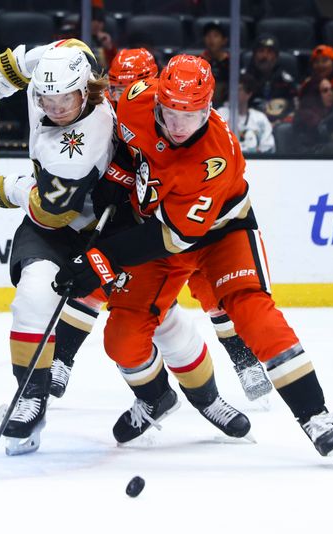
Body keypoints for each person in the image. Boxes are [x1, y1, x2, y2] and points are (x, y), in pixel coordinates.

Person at [55, 54, 333, 461]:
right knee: (122, 338)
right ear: (158, 97)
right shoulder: (137, 98)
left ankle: (315, 415)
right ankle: (156, 399)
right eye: (170, 112)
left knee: (251, 311)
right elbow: (127, 143)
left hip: (218, 235)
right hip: (158, 227)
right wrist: (117, 180)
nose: (177, 126)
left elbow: (172, 238)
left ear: (209, 108)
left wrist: (101, 259)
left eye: (189, 116)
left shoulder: (214, 159)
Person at [0, 40, 250, 455]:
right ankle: (31, 399)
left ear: (85, 89)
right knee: (33, 295)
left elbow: (51, 209)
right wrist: (0, 69)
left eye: (66, 97)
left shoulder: (89, 138)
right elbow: (48, 55)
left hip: (106, 230)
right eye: (46, 96)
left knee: (160, 318)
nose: (56, 107)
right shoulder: (67, 63)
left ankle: (205, 398)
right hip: (63, 228)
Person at [108, 49, 273, 401]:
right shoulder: (131, 111)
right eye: (117, 87)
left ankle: (244, 360)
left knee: (216, 297)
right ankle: (62, 362)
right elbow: (129, 151)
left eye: (130, 86)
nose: (123, 94)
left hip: (198, 225)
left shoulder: (185, 120)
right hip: (158, 226)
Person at [241, 34, 297, 124]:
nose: (265, 56)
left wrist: (279, 123)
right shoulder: (243, 78)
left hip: (278, 125)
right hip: (248, 124)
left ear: (276, 56)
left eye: (270, 52)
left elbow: (294, 110)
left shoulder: (286, 81)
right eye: (261, 51)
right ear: (254, 54)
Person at [217, 73, 276, 154]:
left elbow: (268, 147)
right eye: (232, 89)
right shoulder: (220, 114)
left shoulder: (260, 118)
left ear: (249, 94)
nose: (233, 92)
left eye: (239, 89)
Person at [199, 21, 230, 108]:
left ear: (224, 40)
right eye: (208, 36)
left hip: (226, 107)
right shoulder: (198, 62)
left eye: (216, 36)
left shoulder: (231, 63)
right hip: (202, 106)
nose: (211, 39)